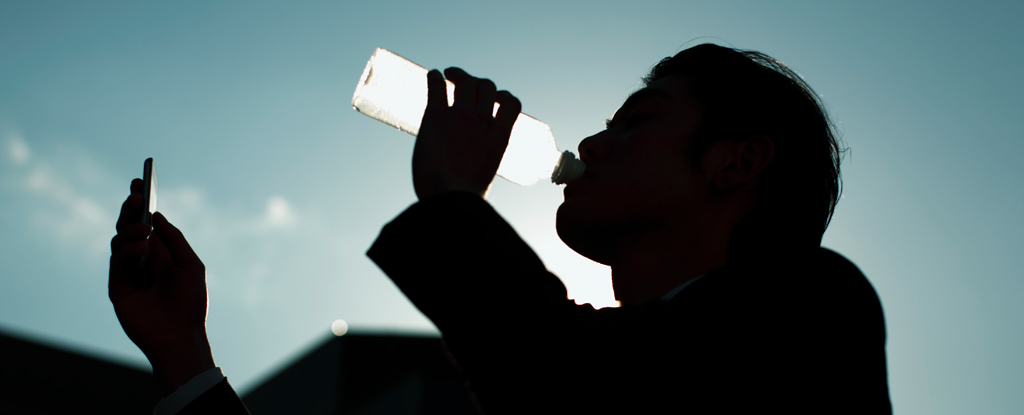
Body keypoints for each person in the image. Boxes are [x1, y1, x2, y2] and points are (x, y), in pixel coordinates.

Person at [109, 43, 892, 414]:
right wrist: (183, 355)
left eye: (638, 122)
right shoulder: (571, 356)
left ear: (734, 164)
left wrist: (453, 197)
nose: (589, 145)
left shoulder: (817, 311)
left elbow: (569, 382)